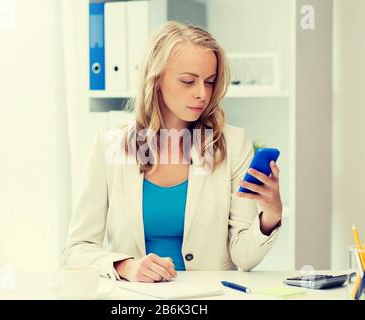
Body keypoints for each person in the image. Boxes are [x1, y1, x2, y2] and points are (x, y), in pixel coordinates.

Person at [60, 21, 282, 283]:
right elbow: (75, 250)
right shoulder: (109, 147)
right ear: (156, 80)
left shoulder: (232, 144)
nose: (202, 94)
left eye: (209, 82)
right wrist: (125, 265)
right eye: (188, 81)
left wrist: (270, 215)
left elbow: (243, 257)